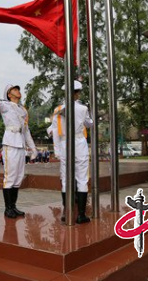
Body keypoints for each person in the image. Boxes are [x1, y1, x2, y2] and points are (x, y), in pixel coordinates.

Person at [0, 70, 37, 218]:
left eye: (18, 89)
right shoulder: (5, 105)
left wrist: (33, 148)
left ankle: (13, 207)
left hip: (21, 143)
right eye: (14, 89)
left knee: (18, 177)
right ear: (9, 94)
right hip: (10, 142)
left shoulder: (23, 110)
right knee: (10, 176)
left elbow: (26, 130)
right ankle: (7, 208)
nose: (18, 91)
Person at [49, 80, 94, 223]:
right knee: (82, 178)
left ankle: (66, 212)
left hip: (64, 143)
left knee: (65, 178)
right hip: (79, 142)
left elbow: (54, 129)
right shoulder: (83, 108)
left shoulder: (58, 110)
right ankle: (81, 215)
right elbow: (89, 124)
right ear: (76, 93)